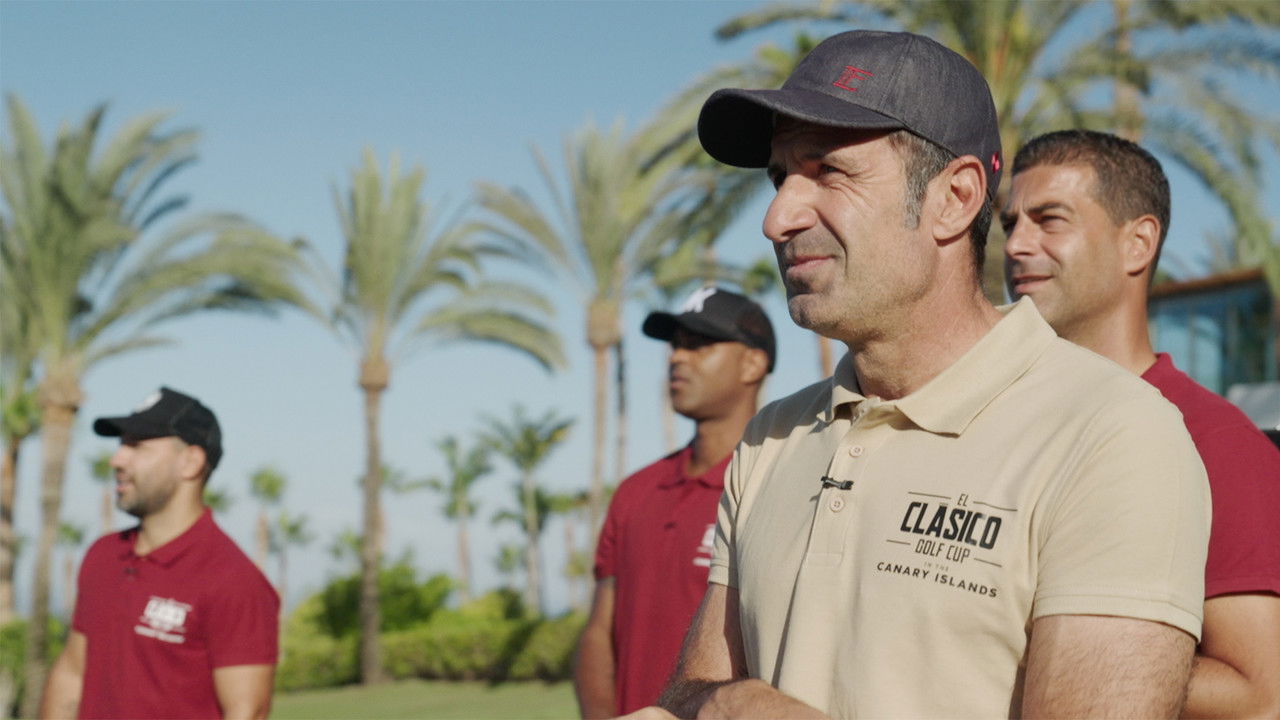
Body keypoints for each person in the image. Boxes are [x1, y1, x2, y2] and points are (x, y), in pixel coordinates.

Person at [644, 30, 1212, 719]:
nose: (777, 217)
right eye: (779, 176)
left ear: (956, 197)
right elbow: (692, 693)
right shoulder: (772, 438)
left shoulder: (1110, 436)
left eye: (829, 171)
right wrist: (731, 703)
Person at [1002, 129, 1280, 718]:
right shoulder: (992, 421)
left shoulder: (1217, 440)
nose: (1017, 244)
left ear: (1138, 243)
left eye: (1050, 220)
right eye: (1010, 224)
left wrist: (1008, 648)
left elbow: (1260, 693)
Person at [574, 287, 774, 718]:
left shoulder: (779, 484)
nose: (677, 359)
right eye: (675, 347)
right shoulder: (635, 492)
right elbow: (598, 635)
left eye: (699, 346)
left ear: (753, 363)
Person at [41, 387, 279, 720]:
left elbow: (246, 711)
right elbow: (72, 673)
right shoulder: (102, 555)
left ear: (190, 462)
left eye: (136, 446)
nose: (117, 459)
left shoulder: (233, 580)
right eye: (121, 444)